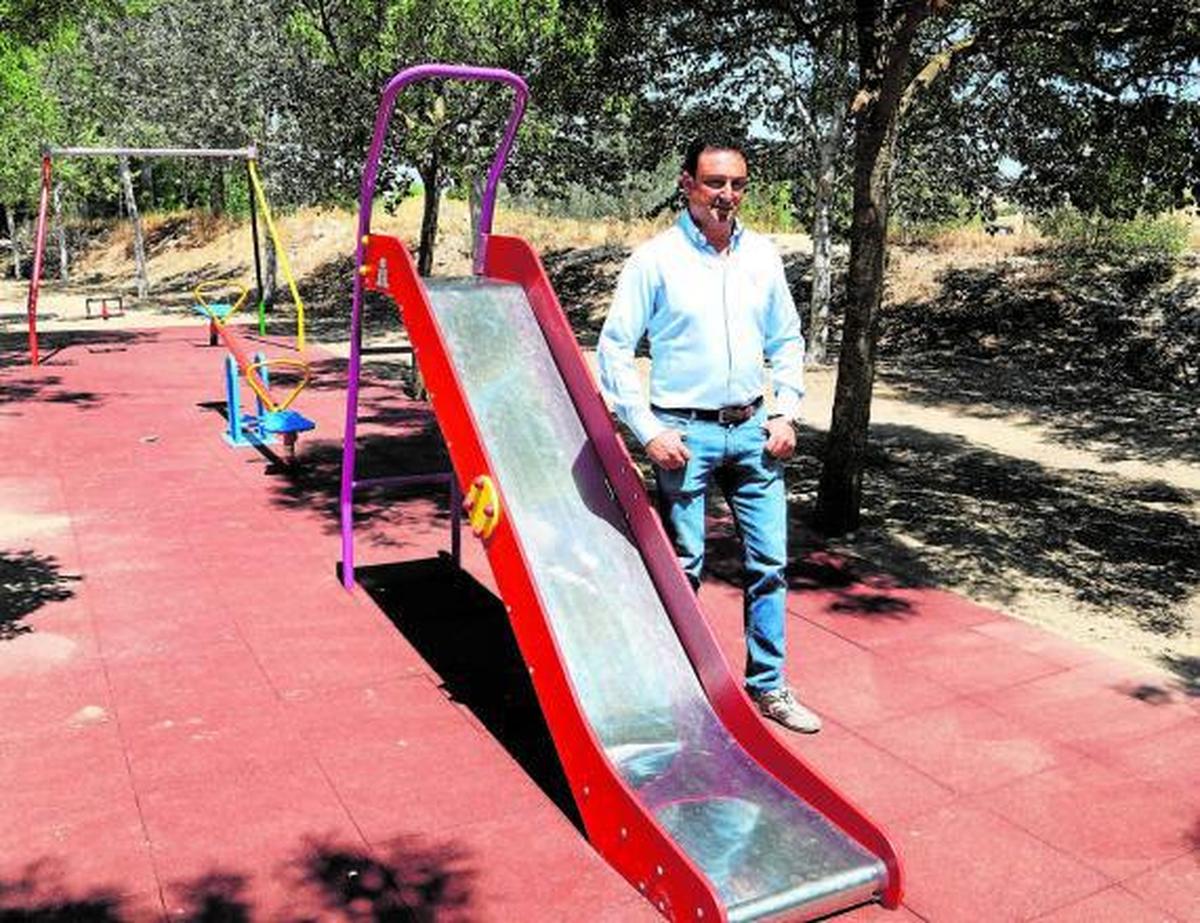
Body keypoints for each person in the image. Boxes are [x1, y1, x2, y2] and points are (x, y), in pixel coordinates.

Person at [596, 138, 820, 734]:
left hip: (753, 431)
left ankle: (768, 685)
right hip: (684, 436)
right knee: (682, 565)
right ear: (687, 184)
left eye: (737, 185)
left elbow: (787, 339)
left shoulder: (763, 257)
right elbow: (615, 351)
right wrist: (646, 430)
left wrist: (787, 411)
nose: (726, 196)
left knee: (769, 561)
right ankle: (674, 691)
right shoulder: (656, 260)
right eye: (715, 183)